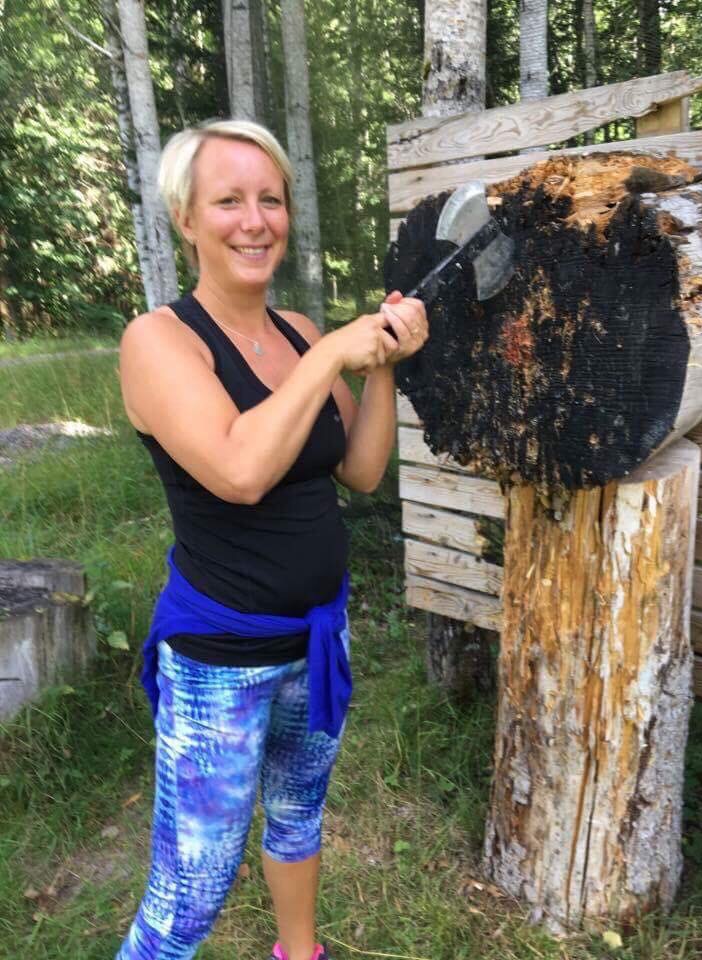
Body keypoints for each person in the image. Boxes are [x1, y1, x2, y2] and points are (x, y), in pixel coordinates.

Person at [115, 118, 428, 960]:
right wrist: (331, 356)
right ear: (186, 218)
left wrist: (381, 363)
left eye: (271, 200)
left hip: (316, 639)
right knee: (189, 892)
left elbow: (361, 470)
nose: (255, 221)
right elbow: (239, 470)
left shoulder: (295, 330)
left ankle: (300, 953)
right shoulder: (159, 340)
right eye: (229, 201)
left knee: (297, 819)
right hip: (221, 660)